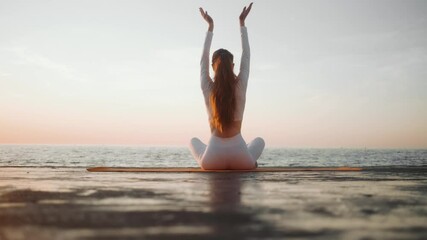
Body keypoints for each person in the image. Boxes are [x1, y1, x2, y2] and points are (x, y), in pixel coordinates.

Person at [189, 3, 265, 170]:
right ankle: (250, 162)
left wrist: (210, 27)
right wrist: (242, 23)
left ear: (212, 67)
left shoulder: (207, 87)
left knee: (193, 141)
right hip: (242, 158)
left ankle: (210, 159)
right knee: (259, 141)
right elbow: (247, 55)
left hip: (212, 159)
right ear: (233, 66)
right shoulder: (240, 84)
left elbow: (202, 59)